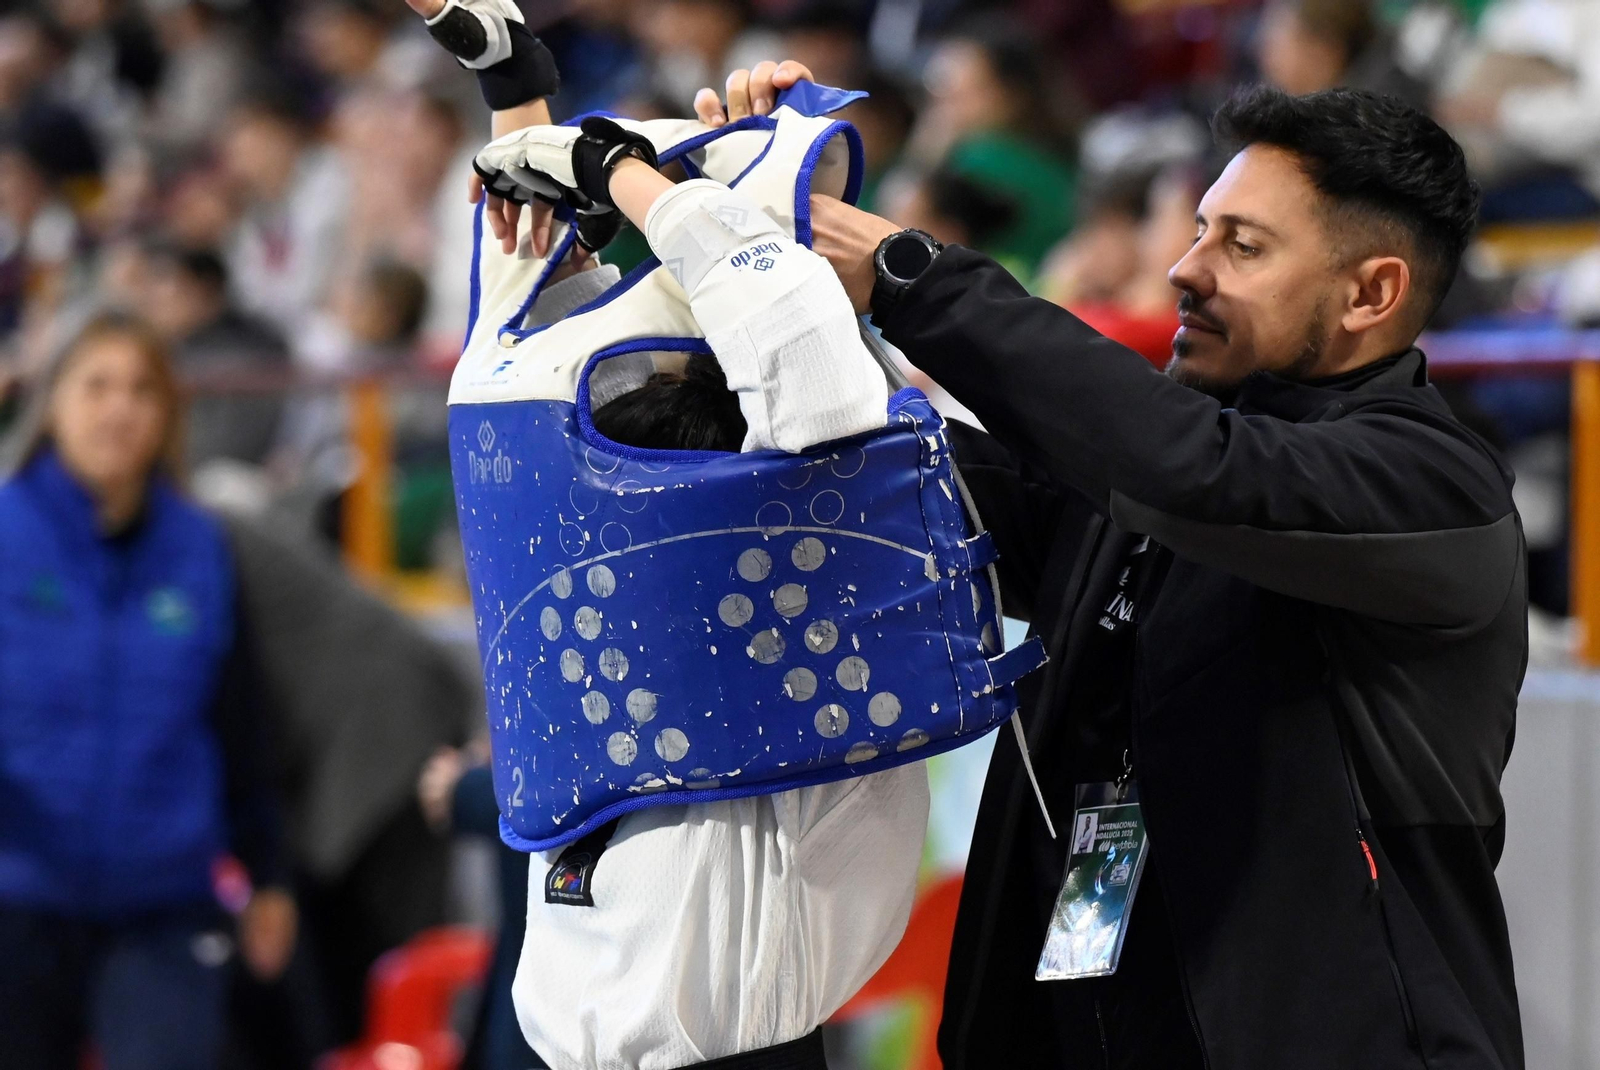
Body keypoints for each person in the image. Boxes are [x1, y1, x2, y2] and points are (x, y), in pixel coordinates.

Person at [695, 66, 1526, 1068]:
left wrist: (912, 276)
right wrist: (754, 246)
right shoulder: (1144, 477)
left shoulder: (1427, 484)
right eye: (1197, 229)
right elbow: (882, 488)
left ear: (1370, 293)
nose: (1186, 267)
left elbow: (1191, 469)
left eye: (1242, 244)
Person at [405, 5, 929, 1065]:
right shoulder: (620, 558)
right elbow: (527, 311)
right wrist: (527, 96)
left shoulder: (790, 563)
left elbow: (794, 344)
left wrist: (630, 174)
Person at [0, 312, 295, 1070]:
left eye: (142, 390)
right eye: (96, 386)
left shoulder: (200, 546)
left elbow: (241, 722)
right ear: (54, 401)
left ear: (167, 414)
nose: (119, 408)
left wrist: (267, 876)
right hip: (18, 900)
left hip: (161, 902)